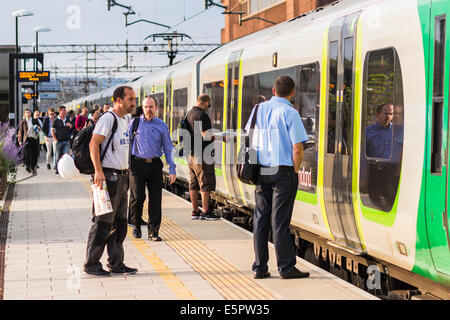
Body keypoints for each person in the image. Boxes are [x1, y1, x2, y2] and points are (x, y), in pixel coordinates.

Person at [245, 75, 310, 280]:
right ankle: (286, 267)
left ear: (273, 91)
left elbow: (249, 136)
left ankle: (260, 267)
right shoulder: (290, 112)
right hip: (283, 171)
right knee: (280, 221)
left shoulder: (258, 109)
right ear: (292, 93)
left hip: (261, 170)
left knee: (261, 219)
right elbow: (297, 147)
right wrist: (296, 170)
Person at [84, 85, 137, 277]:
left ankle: (116, 263)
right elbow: (93, 143)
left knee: (120, 223)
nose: (134, 102)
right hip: (108, 177)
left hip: (122, 177)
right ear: (118, 100)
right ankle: (91, 264)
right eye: (130, 99)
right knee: (103, 223)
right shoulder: (109, 118)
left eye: (134, 99)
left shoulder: (125, 119)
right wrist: (98, 171)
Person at [128, 96, 176, 240]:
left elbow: (168, 148)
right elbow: (125, 144)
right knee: (138, 197)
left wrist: (172, 170)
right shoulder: (134, 123)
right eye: (146, 107)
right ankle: (136, 225)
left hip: (155, 165)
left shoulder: (162, 125)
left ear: (156, 108)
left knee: (155, 200)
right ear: (142, 108)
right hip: (137, 165)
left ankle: (153, 232)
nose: (149, 109)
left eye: (151, 106)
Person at [185, 94, 220, 221]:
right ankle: (206, 211)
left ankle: (195, 210)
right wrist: (221, 137)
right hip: (203, 154)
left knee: (193, 182)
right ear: (205, 101)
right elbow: (205, 134)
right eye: (209, 103)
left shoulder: (189, 113)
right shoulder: (202, 115)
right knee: (205, 181)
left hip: (191, 154)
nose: (209, 106)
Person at [18, 109, 41, 174]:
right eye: (26, 112)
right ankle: (28, 166)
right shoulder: (23, 122)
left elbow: (40, 128)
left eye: (29, 112)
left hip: (34, 139)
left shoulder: (35, 120)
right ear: (24, 114)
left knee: (34, 154)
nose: (28, 113)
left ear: (31, 113)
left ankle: (33, 167)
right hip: (26, 139)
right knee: (26, 154)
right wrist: (20, 141)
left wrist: (38, 128)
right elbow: (20, 132)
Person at [51, 106, 72, 174]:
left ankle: (65, 170)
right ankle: (58, 170)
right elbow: (52, 130)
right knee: (58, 156)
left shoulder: (67, 119)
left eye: (65, 110)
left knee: (66, 156)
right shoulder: (56, 120)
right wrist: (55, 139)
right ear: (60, 111)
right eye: (63, 110)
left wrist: (70, 126)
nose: (65, 112)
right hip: (59, 141)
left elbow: (72, 128)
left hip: (66, 141)